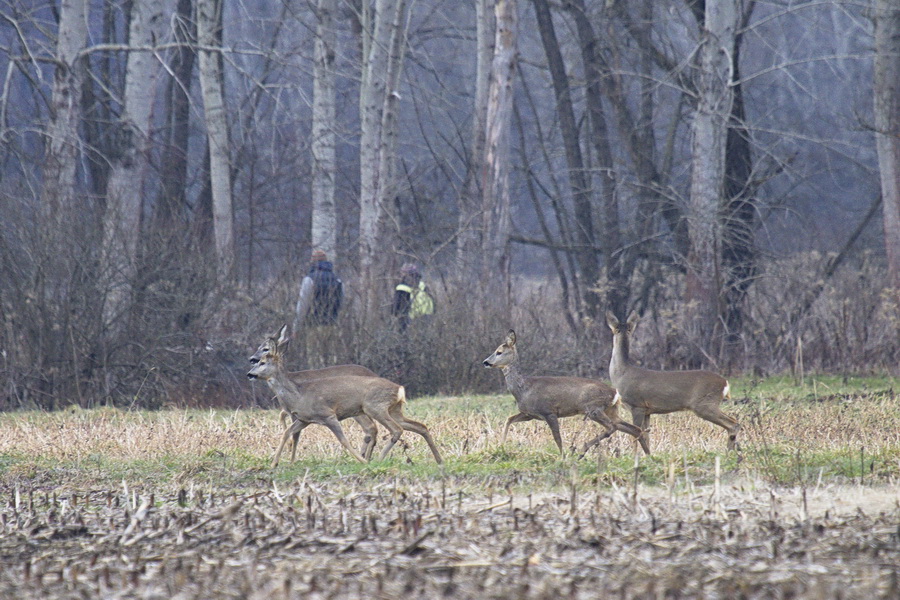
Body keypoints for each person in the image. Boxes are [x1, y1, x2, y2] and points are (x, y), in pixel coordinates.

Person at [293, 249, 343, 366]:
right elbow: (341, 303)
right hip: (332, 324)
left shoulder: (309, 280)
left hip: (313, 325)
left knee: (314, 359)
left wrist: (296, 327)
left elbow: (302, 306)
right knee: (331, 359)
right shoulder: (337, 280)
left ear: (312, 262)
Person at [391, 263, 434, 331]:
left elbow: (396, 308)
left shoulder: (402, 288)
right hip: (426, 319)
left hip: (408, 320)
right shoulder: (423, 285)